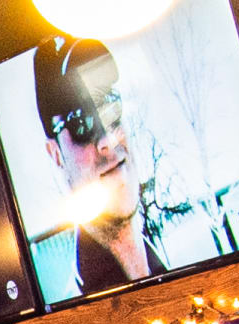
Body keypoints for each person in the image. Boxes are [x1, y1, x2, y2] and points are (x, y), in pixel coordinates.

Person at [34, 37, 154, 294]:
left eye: (110, 105)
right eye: (81, 122)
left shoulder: (179, 269)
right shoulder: (73, 313)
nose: (107, 140)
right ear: (56, 154)